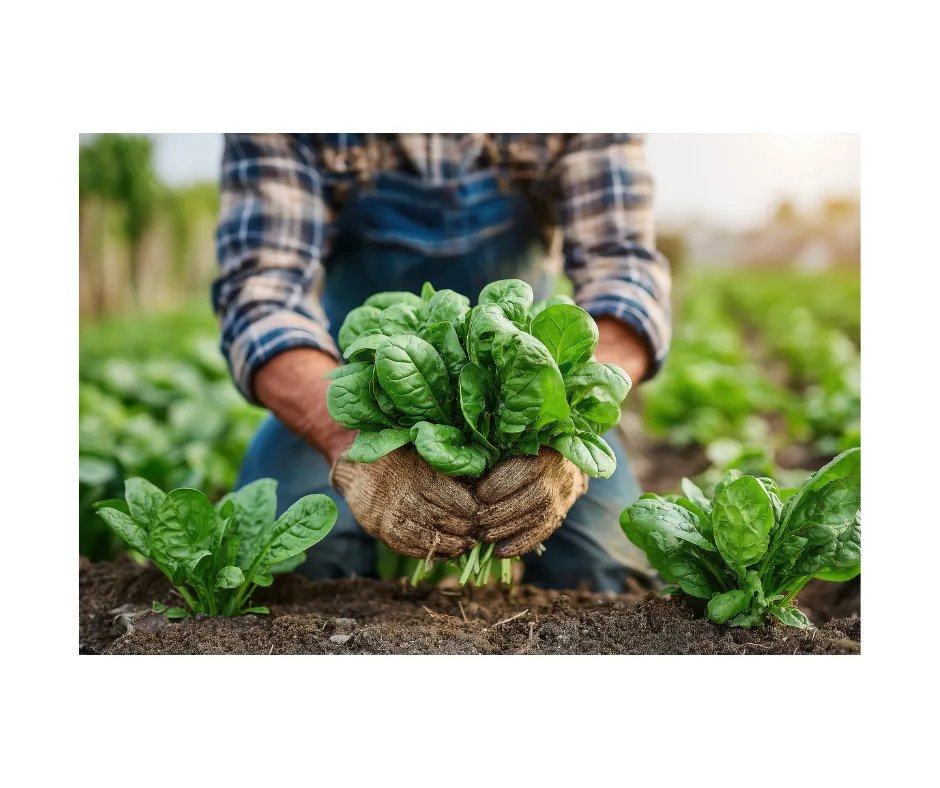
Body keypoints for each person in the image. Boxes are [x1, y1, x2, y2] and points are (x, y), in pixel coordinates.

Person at [213, 134, 671, 592]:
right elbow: (263, 297)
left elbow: (624, 276)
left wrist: (562, 424)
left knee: (603, 564)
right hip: (354, 382)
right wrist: (348, 442)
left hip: (528, 379)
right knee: (295, 563)